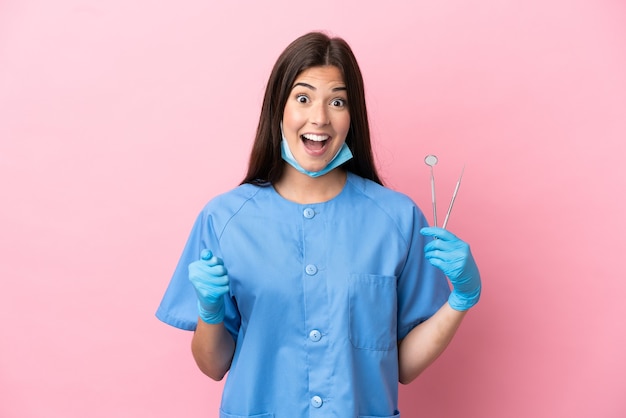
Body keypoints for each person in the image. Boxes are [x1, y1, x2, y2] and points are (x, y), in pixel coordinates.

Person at [156, 31, 481, 418]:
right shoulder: (224, 219)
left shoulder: (397, 219)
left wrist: (461, 299)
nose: (320, 118)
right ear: (279, 108)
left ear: (352, 116)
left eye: (337, 101)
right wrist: (210, 312)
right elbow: (213, 366)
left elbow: (404, 367)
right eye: (303, 98)